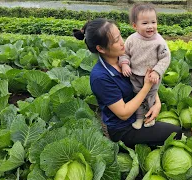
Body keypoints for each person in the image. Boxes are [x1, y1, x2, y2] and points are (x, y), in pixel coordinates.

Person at [73, 18, 182, 148]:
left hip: (140, 112)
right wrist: (147, 87)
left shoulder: (126, 57)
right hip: (124, 128)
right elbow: (123, 113)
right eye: (115, 40)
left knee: (167, 130)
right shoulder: (100, 77)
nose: (122, 43)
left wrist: (157, 103)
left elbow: (145, 77)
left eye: (120, 36)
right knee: (176, 132)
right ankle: (138, 149)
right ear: (100, 48)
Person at [119, 3, 170, 129]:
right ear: (135, 26)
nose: (150, 26)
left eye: (153, 22)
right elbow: (125, 54)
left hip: (152, 76)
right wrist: (125, 64)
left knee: (150, 97)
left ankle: (149, 117)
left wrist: (157, 72)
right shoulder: (131, 39)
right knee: (138, 97)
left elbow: (165, 58)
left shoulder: (159, 41)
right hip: (135, 75)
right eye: (145, 23)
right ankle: (139, 117)